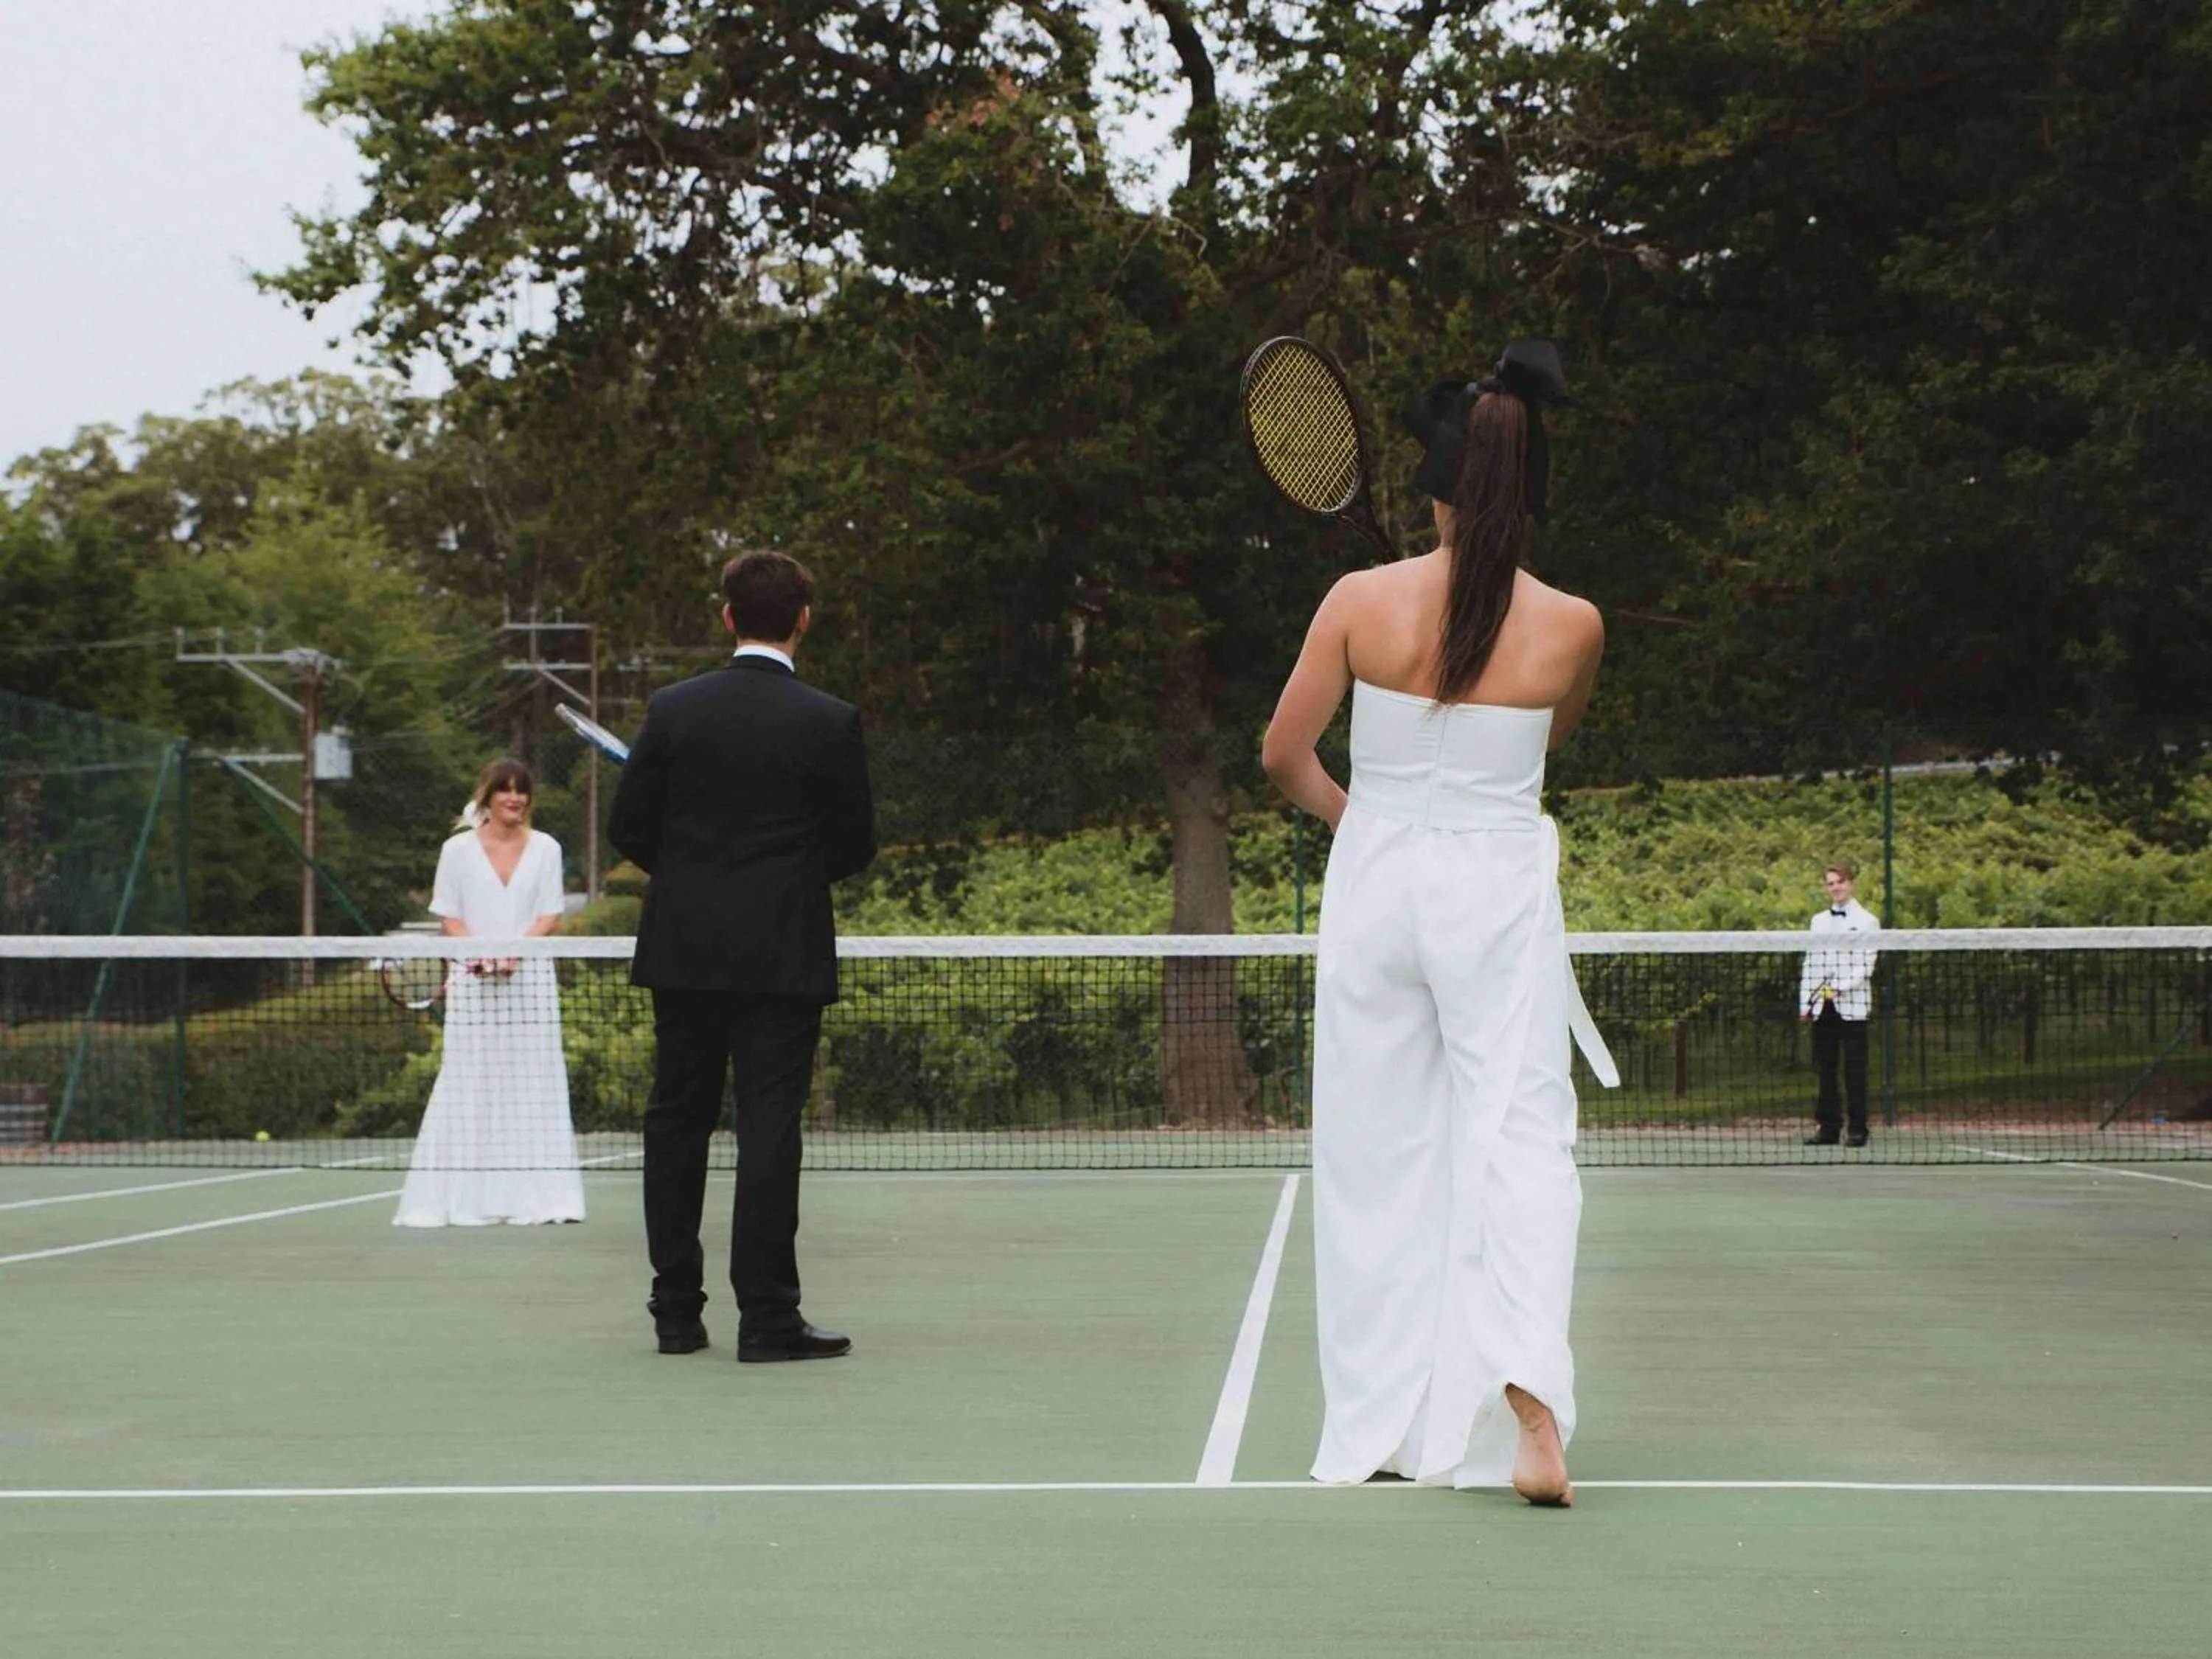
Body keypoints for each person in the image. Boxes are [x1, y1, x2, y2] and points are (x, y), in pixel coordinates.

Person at [1262, 342, 1618, 1506]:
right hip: (1497, 891)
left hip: (1381, 889)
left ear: (1435, 485)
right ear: (1534, 490)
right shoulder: (1574, 624)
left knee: (1377, 1159)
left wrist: (1370, 822)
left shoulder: (1360, 602)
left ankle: (1380, 1426)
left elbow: (1283, 755)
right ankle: (1528, 1409)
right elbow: (1542, 750)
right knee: (1518, 1146)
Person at [610, 549, 877, 1362]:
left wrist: (695, 883)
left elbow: (629, 829)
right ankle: (766, 1319)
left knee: (676, 1122)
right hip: (780, 955)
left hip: (685, 950)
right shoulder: (829, 721)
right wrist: (783, 886)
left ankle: (675, 1316)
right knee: (768, 1128)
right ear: (803, 619)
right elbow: (854, 844)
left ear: (728, 616)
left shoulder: (673, 710)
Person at [394, 758, 586, 1228]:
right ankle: (464, 1198)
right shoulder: (457, 851)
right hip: (473, 986)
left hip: (531, 984)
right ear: (489, 796)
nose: (515, 799)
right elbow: (450, 917)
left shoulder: (546, 848)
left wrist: (515, 953)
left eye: (522, 791)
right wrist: (478, 954)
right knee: (470, 1076)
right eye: (506, 791)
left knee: (531, 1079)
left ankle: (543, 1199)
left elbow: (549, 915)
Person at [1798, 863, 1881, 1147]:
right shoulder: (1818, 921)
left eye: (1840, 882)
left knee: (1855, 1069)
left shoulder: (1868, 920)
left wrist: (1839, 989)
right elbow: (1811, 963)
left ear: (1851, 884)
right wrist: (1806, 1002)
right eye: (1831, 883)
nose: (1835, 887)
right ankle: (1828, 1128)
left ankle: (1858, 1129)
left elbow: (1866, 966)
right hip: (1823, 1007)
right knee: (1826, 1068)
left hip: (1853, 1006)